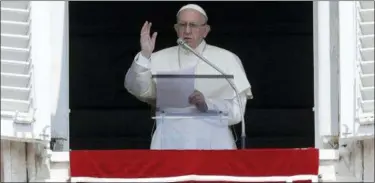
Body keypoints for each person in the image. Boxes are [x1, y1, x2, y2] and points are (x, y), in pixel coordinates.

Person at [125, 4, 253, 150]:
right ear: (176, 29)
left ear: (206, 30)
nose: (187, 31)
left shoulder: (228, 59)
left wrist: (208, 104)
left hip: (215, 142)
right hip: (169, 142)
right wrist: (144, 55)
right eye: (182, 25)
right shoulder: (157, 58)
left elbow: (237, 113)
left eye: (193, 25)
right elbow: (138, 90)